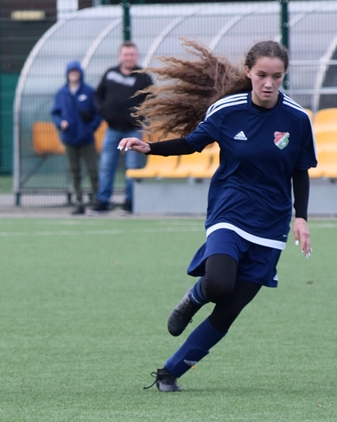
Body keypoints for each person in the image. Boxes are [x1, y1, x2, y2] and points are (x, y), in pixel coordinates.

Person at [117, 40, 316, 392]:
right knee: (219, 284)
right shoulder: (227, 110)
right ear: (248, 73)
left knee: (228, 311)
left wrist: (301, 217)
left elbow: (300, 170)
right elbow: (193, 143)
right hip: (230, 210)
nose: (268, 83)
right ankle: (194, 297)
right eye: (261, 75)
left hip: (271, 225)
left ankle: (169, 373)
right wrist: (151, 147)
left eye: (277, 76)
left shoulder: (298, 120)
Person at [91, 41, 153, 213]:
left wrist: (142, 117)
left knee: (132, 167)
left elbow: (152, 101)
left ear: (137, 56)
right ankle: (103, 202)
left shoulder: (143, 77)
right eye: (126, 54)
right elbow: (98, 95)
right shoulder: (110, 74)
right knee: (106, 165)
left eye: (132, 54)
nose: (129, 57)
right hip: (112, 130)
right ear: (120, 56)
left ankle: (130, 203)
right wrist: (103, 111)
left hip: (133, 131)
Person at [51, 61, 102, 215]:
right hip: (69, 138)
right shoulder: (62, 93)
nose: (73, 74)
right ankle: (78, 201)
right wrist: (61, 123)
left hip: (86, 138)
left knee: (93, 170)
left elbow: (98, 113)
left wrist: (90, 128)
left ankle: (98, 199)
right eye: (71, 72)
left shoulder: (89, 91)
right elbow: (55, 113)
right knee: (74, 171)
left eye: (76, 71)